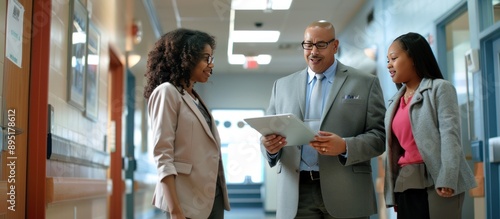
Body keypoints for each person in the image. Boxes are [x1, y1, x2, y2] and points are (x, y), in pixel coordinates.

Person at [260, 20, 386, 219]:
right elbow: (268, 133)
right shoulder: (282, 86)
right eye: (308, 45)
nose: (313, 52)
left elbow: (379, 137)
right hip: (297, 193)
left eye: (321, 45)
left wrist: (345, 146)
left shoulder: (365, 83)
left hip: (347, 191)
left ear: (335, 46)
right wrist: (269, 147)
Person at [384, 32, 477, 219]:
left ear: (413, 58)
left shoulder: (440, 88)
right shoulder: (394, 101)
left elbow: (450, 136)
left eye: (394, 58)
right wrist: (392, 191)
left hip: (438, 178)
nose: (389, 65)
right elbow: (395, 150)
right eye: (387, 60)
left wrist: (448, 177)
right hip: (406, 182)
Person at [144, 28, 230, 219]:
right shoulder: (167, 92)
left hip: (210, 197)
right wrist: (175, 210)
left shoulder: (194, 97)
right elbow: (163, 155)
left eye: (212, 58)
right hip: (184, 201)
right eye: (206, 58)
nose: (211, 65)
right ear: (186, 58)